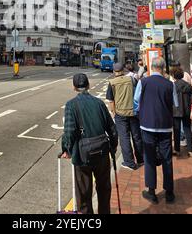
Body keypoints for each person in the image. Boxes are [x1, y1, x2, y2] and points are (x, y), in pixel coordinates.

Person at [61, 74, 118, 215]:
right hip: (102, 152)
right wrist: (113, 147)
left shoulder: (71, 105)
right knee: (104, 189)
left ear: (74, 87)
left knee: (84, 194)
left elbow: (69, 132)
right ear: (88, 85)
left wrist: (66, 149)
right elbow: (112, 128)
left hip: (82, 155)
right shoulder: (99, 103)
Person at [134, 57, 178, 205]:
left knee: (149, 158)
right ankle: (169, 192)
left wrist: (142, 110)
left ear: (151, 67)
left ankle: (151, 191)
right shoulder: (170, 84)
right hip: (165, 126)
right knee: (167, 158)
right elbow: (175, 103)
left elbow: (136, 101)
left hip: (147, 125)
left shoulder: (143, 82)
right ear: (163, 67)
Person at [106, 63, 143, 170]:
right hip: (133, 112)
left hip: (120, 114)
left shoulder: (112, 83)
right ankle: (141, 159)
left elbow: (111, 100)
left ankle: (129, 162)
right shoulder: (132, 80)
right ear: (123, 70)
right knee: (136, 136)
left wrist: (113, 112)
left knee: (124, 138)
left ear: (114, 72)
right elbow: (138, 95)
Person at [170, 68, 192, 158]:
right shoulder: (188, 85)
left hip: (175, 111)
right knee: (187, 129)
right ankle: (190, 150)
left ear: (173, 76)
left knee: (176, 130)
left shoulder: (172, 85)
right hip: (187, 110)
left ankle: (177, 150)